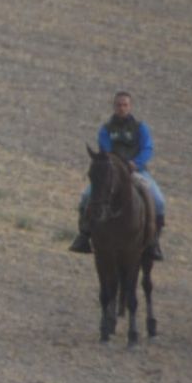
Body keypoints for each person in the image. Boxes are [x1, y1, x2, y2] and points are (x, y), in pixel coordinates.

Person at [71, 91, 166, 260]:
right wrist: (119, 165)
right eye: (118, 105)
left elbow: (147, 149)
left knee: (158, 200)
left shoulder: (140, 127)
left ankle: (153, 241)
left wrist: (135, 163)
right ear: (114, 106)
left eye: (125, 105)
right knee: (86, 196)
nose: (121, 108)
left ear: (130, 107)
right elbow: (106, 151)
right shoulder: (106, 129)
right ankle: (84, 235)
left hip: (137, 171)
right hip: (113, 172)